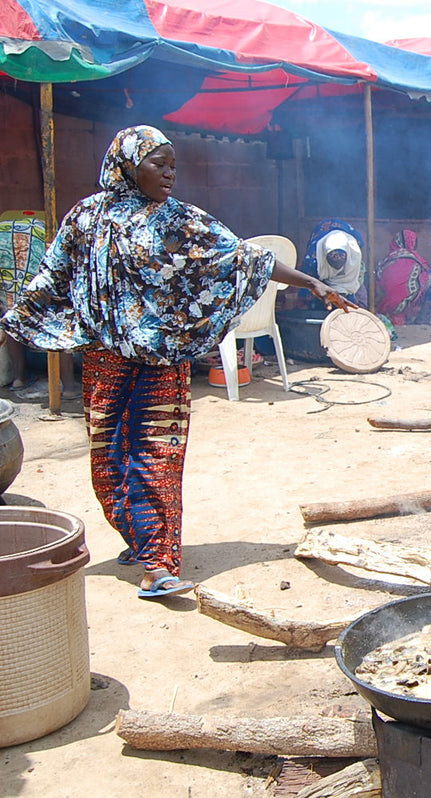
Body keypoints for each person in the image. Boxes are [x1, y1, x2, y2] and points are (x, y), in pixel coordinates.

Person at [0, 125, 345, 600]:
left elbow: (243, 258)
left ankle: (159, 563)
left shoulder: (177, 220)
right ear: (126, 164)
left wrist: (311, 282)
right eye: (157, 163)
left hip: (162, 361)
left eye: (173, 165)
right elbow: (50, 279)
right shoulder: (84, 218)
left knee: (157, 455)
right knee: (108, 462)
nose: (168, 173)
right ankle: (140, 538)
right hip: (104, 360)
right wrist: (11, 323)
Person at [0, 213, 81, 398]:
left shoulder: (6, 222)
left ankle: (18, 378)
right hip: (39, 260)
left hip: (8, 260)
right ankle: (68, 386)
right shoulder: (54, 225)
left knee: (14, 316)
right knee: (59, 322)